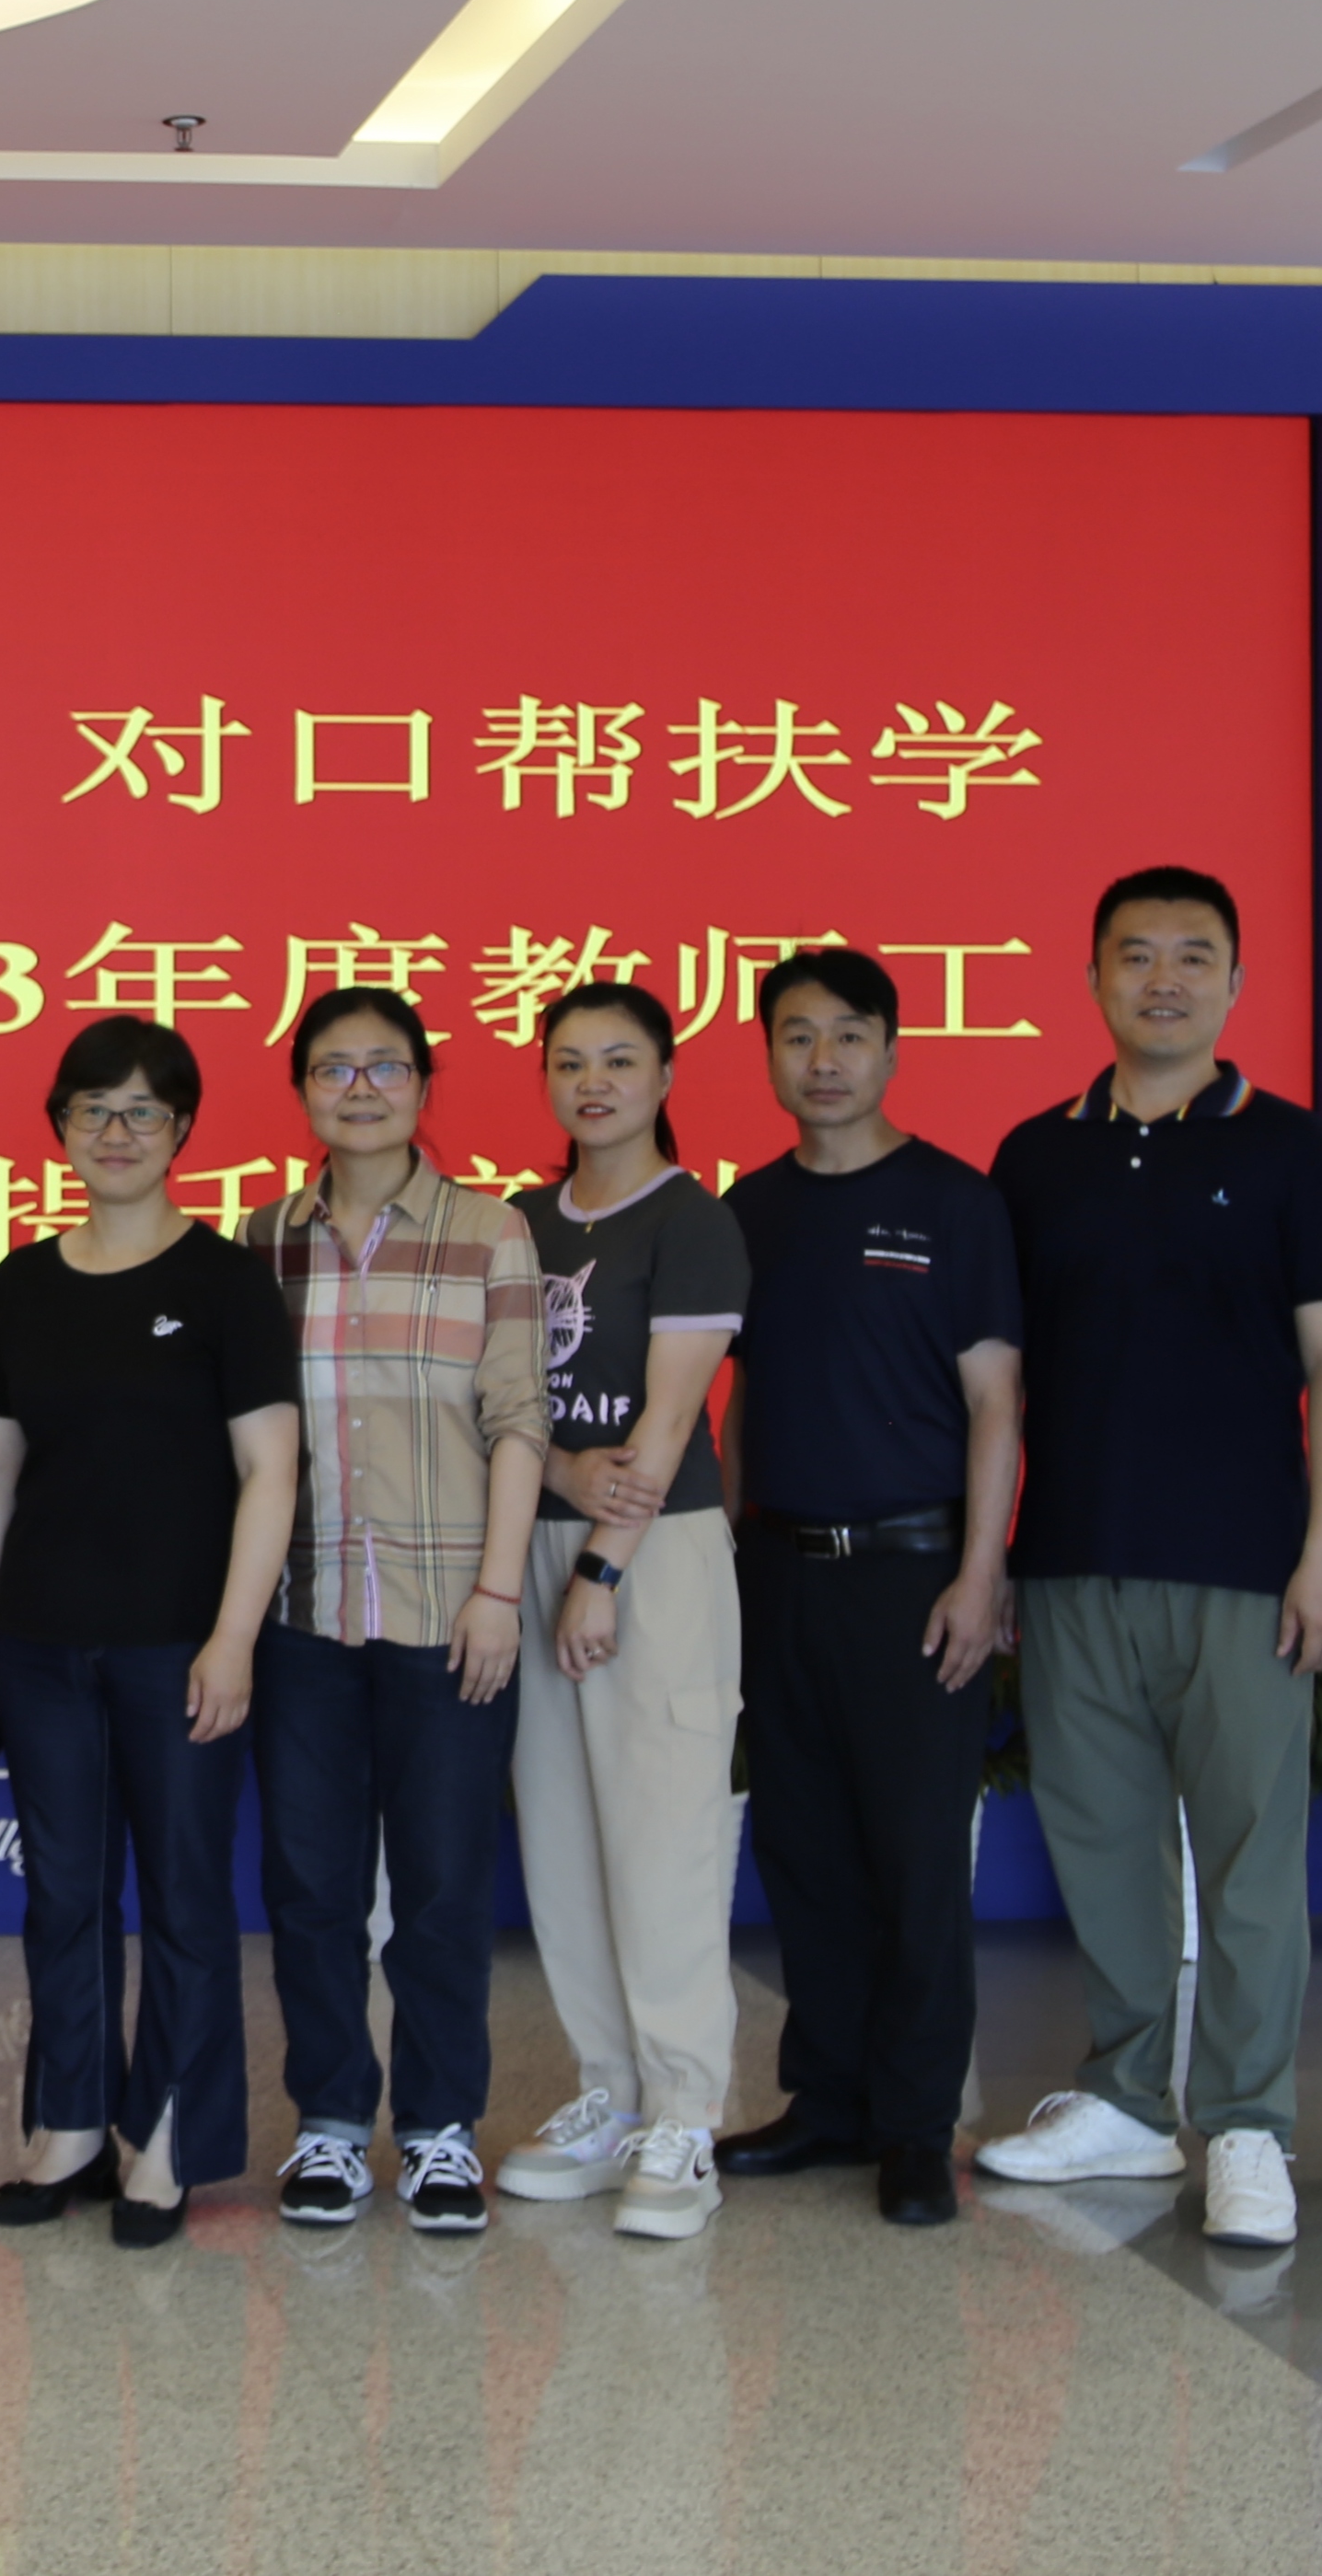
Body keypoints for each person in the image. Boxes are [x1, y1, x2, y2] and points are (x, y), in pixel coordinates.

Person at [973, 870, 1322, 2248]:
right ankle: (1131, 2103)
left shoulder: (1294, 1151)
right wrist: (994, 1557)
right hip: (1073, 1556)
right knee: (1102, 1845)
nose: (1163, 980)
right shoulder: (1035, 1157)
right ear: (1092, 978)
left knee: (1252, 1855)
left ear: (1235, 982)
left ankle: (1250, 2124)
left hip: (1246, 1563)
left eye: (1193, 956)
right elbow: (1001, 1386)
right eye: (1135, 955)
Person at [0, 1018, 300, 2247]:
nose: (115, 1133)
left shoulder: (224, 1282)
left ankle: (164, 2140)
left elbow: (271, 1470)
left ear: (182, 1130)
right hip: (41, 1644)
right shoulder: (21, 1282)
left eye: (143, 1111)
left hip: (178, 1646)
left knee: (185, 1896)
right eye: (92, 1110)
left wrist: (234, 1637)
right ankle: (66, 2124)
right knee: (62, 1892)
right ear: (58, 1126)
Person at [232, 988, 551, 2237]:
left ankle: (437, 2130)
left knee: (443, 1888)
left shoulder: (490, 1232)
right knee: (310, 1887)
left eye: (384, 1067)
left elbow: (518, 1421)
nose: (359, 1089)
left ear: (422, 1085)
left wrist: (498, 1592)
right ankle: (327, 2123)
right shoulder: (261, 1240)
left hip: (447, 1614)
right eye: (333, 1068)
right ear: (302, 1090)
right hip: (302, 1615)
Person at [713, 946, 1022, 2230]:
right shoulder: (749, 1209)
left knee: (913, 1857)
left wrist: (980, 1573)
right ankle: (828, 2099)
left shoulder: (954, 1201)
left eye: (849, 1034)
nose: (824, 1060)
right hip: (780, 1572)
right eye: (798, 1036)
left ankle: (914, 2124)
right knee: (805, 1851)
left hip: (913, 1579)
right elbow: (738, 1398)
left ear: (892, 1050)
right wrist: (729, 1559)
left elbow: (996, 1402)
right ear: (769, 1055)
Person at [493, 980, 754, 2243]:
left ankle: (685, 2114)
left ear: (663, 1077)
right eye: (569, 1061)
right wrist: (557, 1482)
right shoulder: (519, 1222)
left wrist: (601, 1569)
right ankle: (609, 2093)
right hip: (534, 1541)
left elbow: (669, 1417)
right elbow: (500, 1403)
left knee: (664, 1839)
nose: (591, 1083)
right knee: (562, 1840)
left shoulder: (693, 1222)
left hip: (656, 1558)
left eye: (618, 1060)